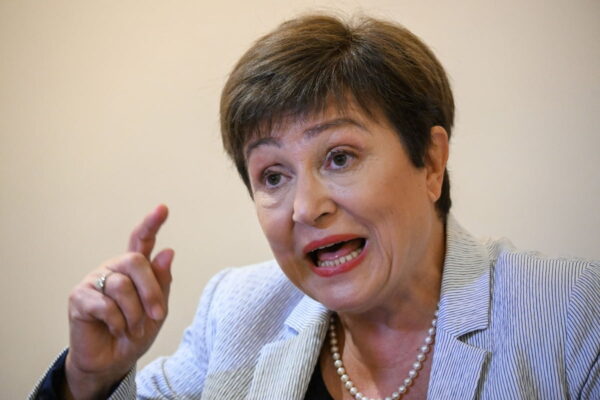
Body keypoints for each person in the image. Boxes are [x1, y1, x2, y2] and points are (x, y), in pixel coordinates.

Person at [31, 14, 599, 400]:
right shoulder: (238, 311)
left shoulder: (573, 315)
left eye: (340, 157)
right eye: (273, 175)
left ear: (430, 161)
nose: (306, 208)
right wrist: (89, 380)